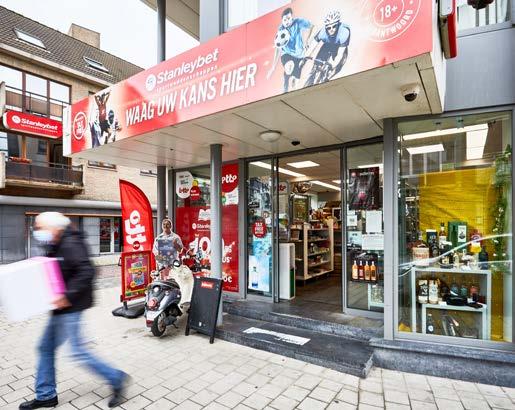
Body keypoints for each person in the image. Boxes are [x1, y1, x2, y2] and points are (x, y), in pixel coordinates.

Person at [19, 212, 129, 410]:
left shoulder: (71, 243)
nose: (38, 231)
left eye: (41, 227)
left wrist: (66, 296)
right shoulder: (56, 243)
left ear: (54, 227)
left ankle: (117, 378)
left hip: (72, 306)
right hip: (59, 308)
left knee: (78, 351)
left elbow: (87, 272)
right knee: (45, 348)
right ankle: (46, 395)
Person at [266, 7, 314, 92]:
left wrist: (308, 40)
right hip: (286, 54)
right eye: (285, 20)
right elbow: (278, 47)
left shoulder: (298, 22)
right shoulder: (281, 29)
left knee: (295, 83)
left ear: (292, 18)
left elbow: (312, 26)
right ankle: (285, 86)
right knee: (289, 67)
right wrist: (273, 67)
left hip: (299, 55)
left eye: (289, 19)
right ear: (282, 20)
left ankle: (292, 86)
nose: (287, 21)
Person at [305, 10, 351, 87]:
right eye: (329, 28)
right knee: (317, 64)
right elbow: (313, 45)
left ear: (338, 25)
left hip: (339, 46)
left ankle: (327, 78)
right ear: (326, 27)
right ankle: (312, 75)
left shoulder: (344, 32)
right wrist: (306, 55)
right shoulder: (322, 32)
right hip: (327, 45)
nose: (331, 29)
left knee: (337, 67)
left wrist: (333, 64)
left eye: (334, 26)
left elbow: (340, 54)